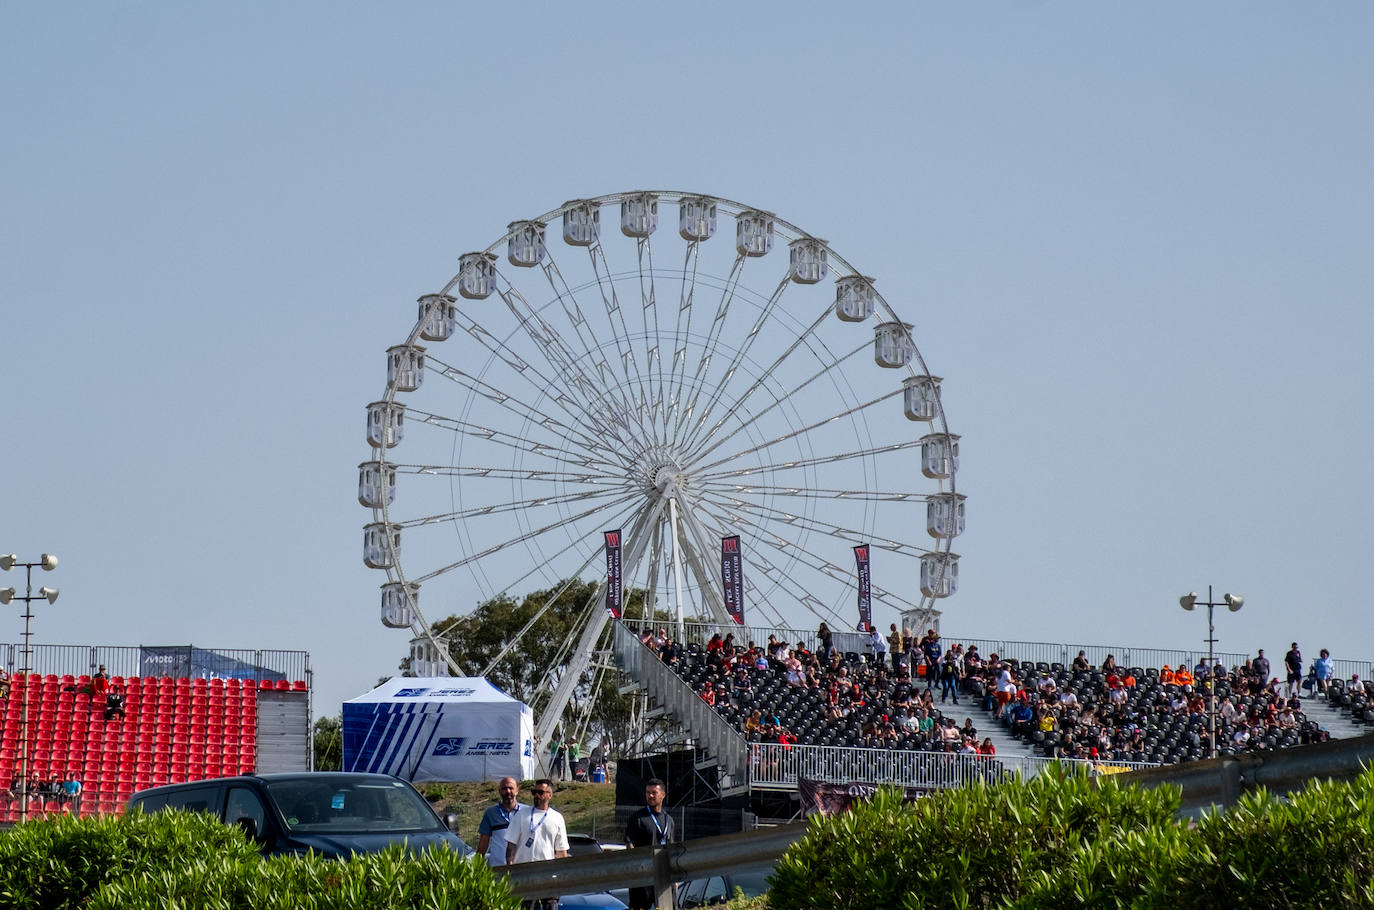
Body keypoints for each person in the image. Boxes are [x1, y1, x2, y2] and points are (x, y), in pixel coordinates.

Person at [506, 778, 569, 910]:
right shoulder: (521, 815)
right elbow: (511, 845)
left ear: (550, 795)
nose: (536, 795)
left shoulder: (557, 818)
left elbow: (561, 851)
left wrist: (562, 878)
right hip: (524, 878)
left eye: (540, 792)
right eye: (534, 792)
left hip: (548, 878)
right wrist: (511, 870)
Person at [624, 778, 677, 910]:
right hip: (643, 878)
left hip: (665, 877)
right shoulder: (637, 818)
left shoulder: (669, 820)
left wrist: (674, 878)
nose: (650, 796)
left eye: (654, 792)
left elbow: (672, 848)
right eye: (648, 792)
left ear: (663, 795)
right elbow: (630, 844)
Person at [476, 777, 524, 866]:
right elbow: (483, 844)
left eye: (511, 788)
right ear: (499, 791)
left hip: (521, 867)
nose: (508, 791)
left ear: (517, 790)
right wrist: (476, 867)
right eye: (504, 788)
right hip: (498, 868)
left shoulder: (526, 812)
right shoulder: (490, 813)